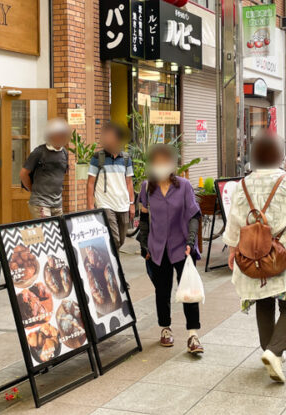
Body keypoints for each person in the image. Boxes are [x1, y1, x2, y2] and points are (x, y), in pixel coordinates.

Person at [224, 134, 286, 383]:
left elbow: (234, 222)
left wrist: (232, 250)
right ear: (279, 156)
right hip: (285, 254)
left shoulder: (242, 184)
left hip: (252, 255)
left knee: (263, 300)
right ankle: (274, 350)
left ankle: (271, 350)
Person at [137, 145, 203, 353]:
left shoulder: (183, 186)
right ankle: (165, 329)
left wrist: (190, 242)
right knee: (162, 291)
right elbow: (144, 219)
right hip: (157, 248)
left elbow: (193, 215)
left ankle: (193, 336)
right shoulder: (147, 188)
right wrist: (145, 245)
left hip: (181, 246)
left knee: (189, 292)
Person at [87, 122, 135, 251]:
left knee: (121, 239)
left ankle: (107, 255)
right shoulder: (98, 157)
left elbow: (129, 182)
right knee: (114, 238)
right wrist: (91, 206)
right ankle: (114, 265)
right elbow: (90, 182)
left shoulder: (126, 158)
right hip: (105, 203)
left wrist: (132, 203)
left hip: (123, 203)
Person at [20, 118, 71, 218]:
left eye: (63, 135)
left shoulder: (64, 152)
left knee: (59, 232)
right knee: (46, 231)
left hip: (57, 204)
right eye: (58, 135)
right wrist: (32, 189)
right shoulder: (39, 152)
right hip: (40, 203)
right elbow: (23, 173)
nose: (61, 137)